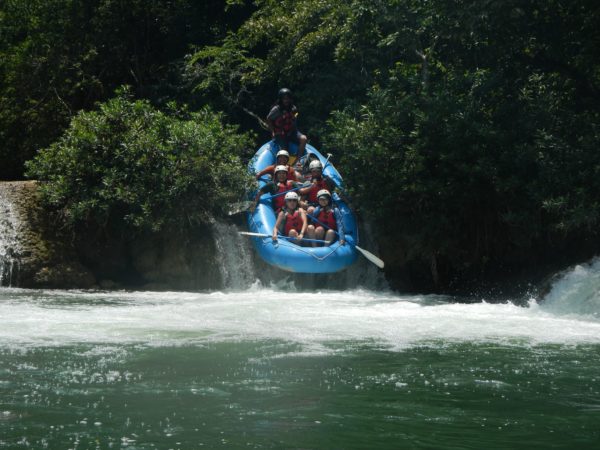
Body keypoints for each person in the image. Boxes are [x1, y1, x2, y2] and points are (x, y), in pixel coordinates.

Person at [267, 88, 307, 164]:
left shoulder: (293, 108)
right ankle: (282, 167)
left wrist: (293, 130)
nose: (286, 101)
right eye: (284, 99)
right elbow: (268, 119)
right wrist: (272, 132)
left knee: (304, 139)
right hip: (281, 133)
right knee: (284, 152)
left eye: (288, 99)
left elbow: (295, 117)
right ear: (281, 99)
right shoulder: (276, 109)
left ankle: (298, 161)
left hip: (292, 132)